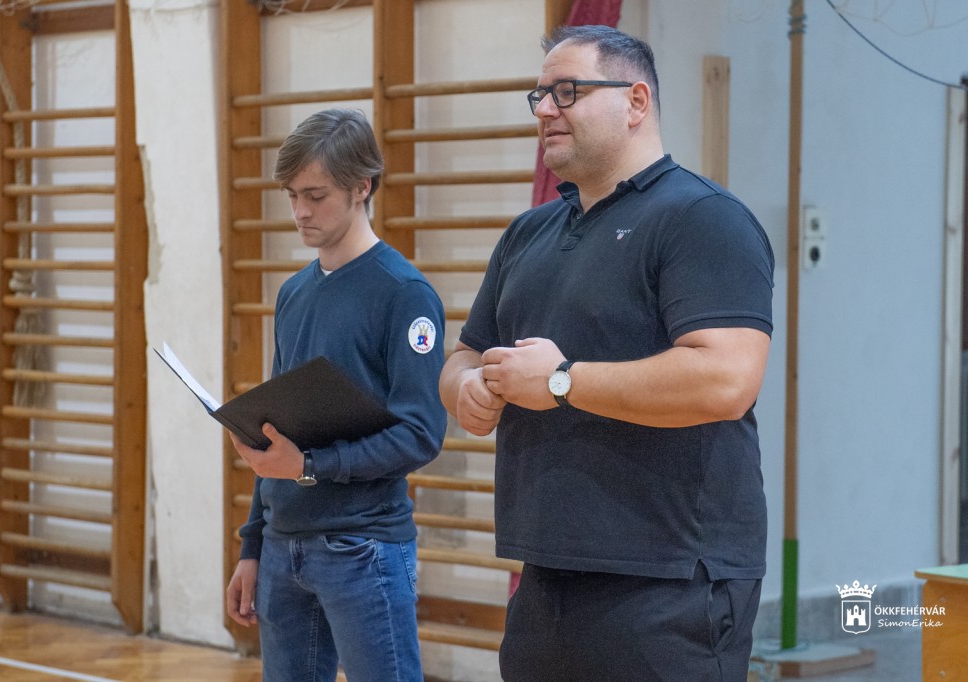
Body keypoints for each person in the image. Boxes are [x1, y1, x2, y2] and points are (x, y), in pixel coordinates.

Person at [439, 25, 774, 681]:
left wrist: (562, 382)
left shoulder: (703, 218)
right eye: (539, 95)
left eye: (567, 91)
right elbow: (463, 357)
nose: (544, 109)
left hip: (671, 578)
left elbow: (727, 379)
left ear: (636, 101)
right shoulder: (528, 233)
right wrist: (467, 389)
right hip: (546, 574)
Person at [226, 108, 446, 682]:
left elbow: (421, 435)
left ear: (361, 187)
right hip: (283, 548)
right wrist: (253, 545)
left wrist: (310, 466)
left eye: (316, 196)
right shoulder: (294, 293)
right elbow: (274, 432)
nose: (300, 211)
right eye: (292, 196)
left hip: (363, 547)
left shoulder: (405, 294)